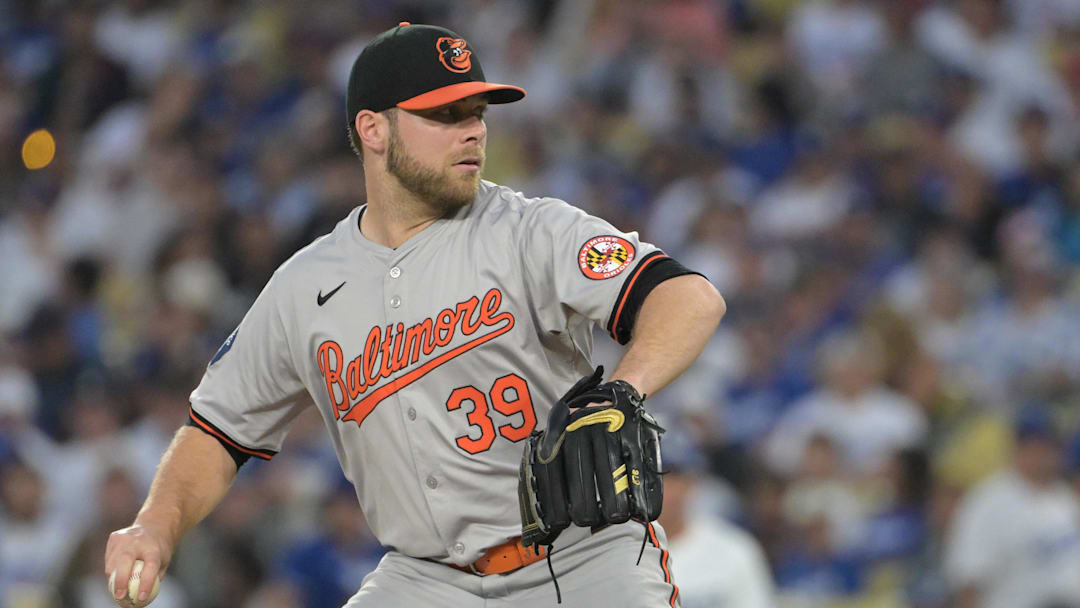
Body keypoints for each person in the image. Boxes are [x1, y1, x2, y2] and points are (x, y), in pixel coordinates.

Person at [104, 22, 726, 608]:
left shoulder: (531, 230)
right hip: (426, 578)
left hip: (583, 556)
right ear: (373, 129)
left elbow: (688, 297)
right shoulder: (305, 286)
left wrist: (623, 387)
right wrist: (154, 529)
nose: (473, 131)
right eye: (444, 114)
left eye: (476, 114)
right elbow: (217, 430)